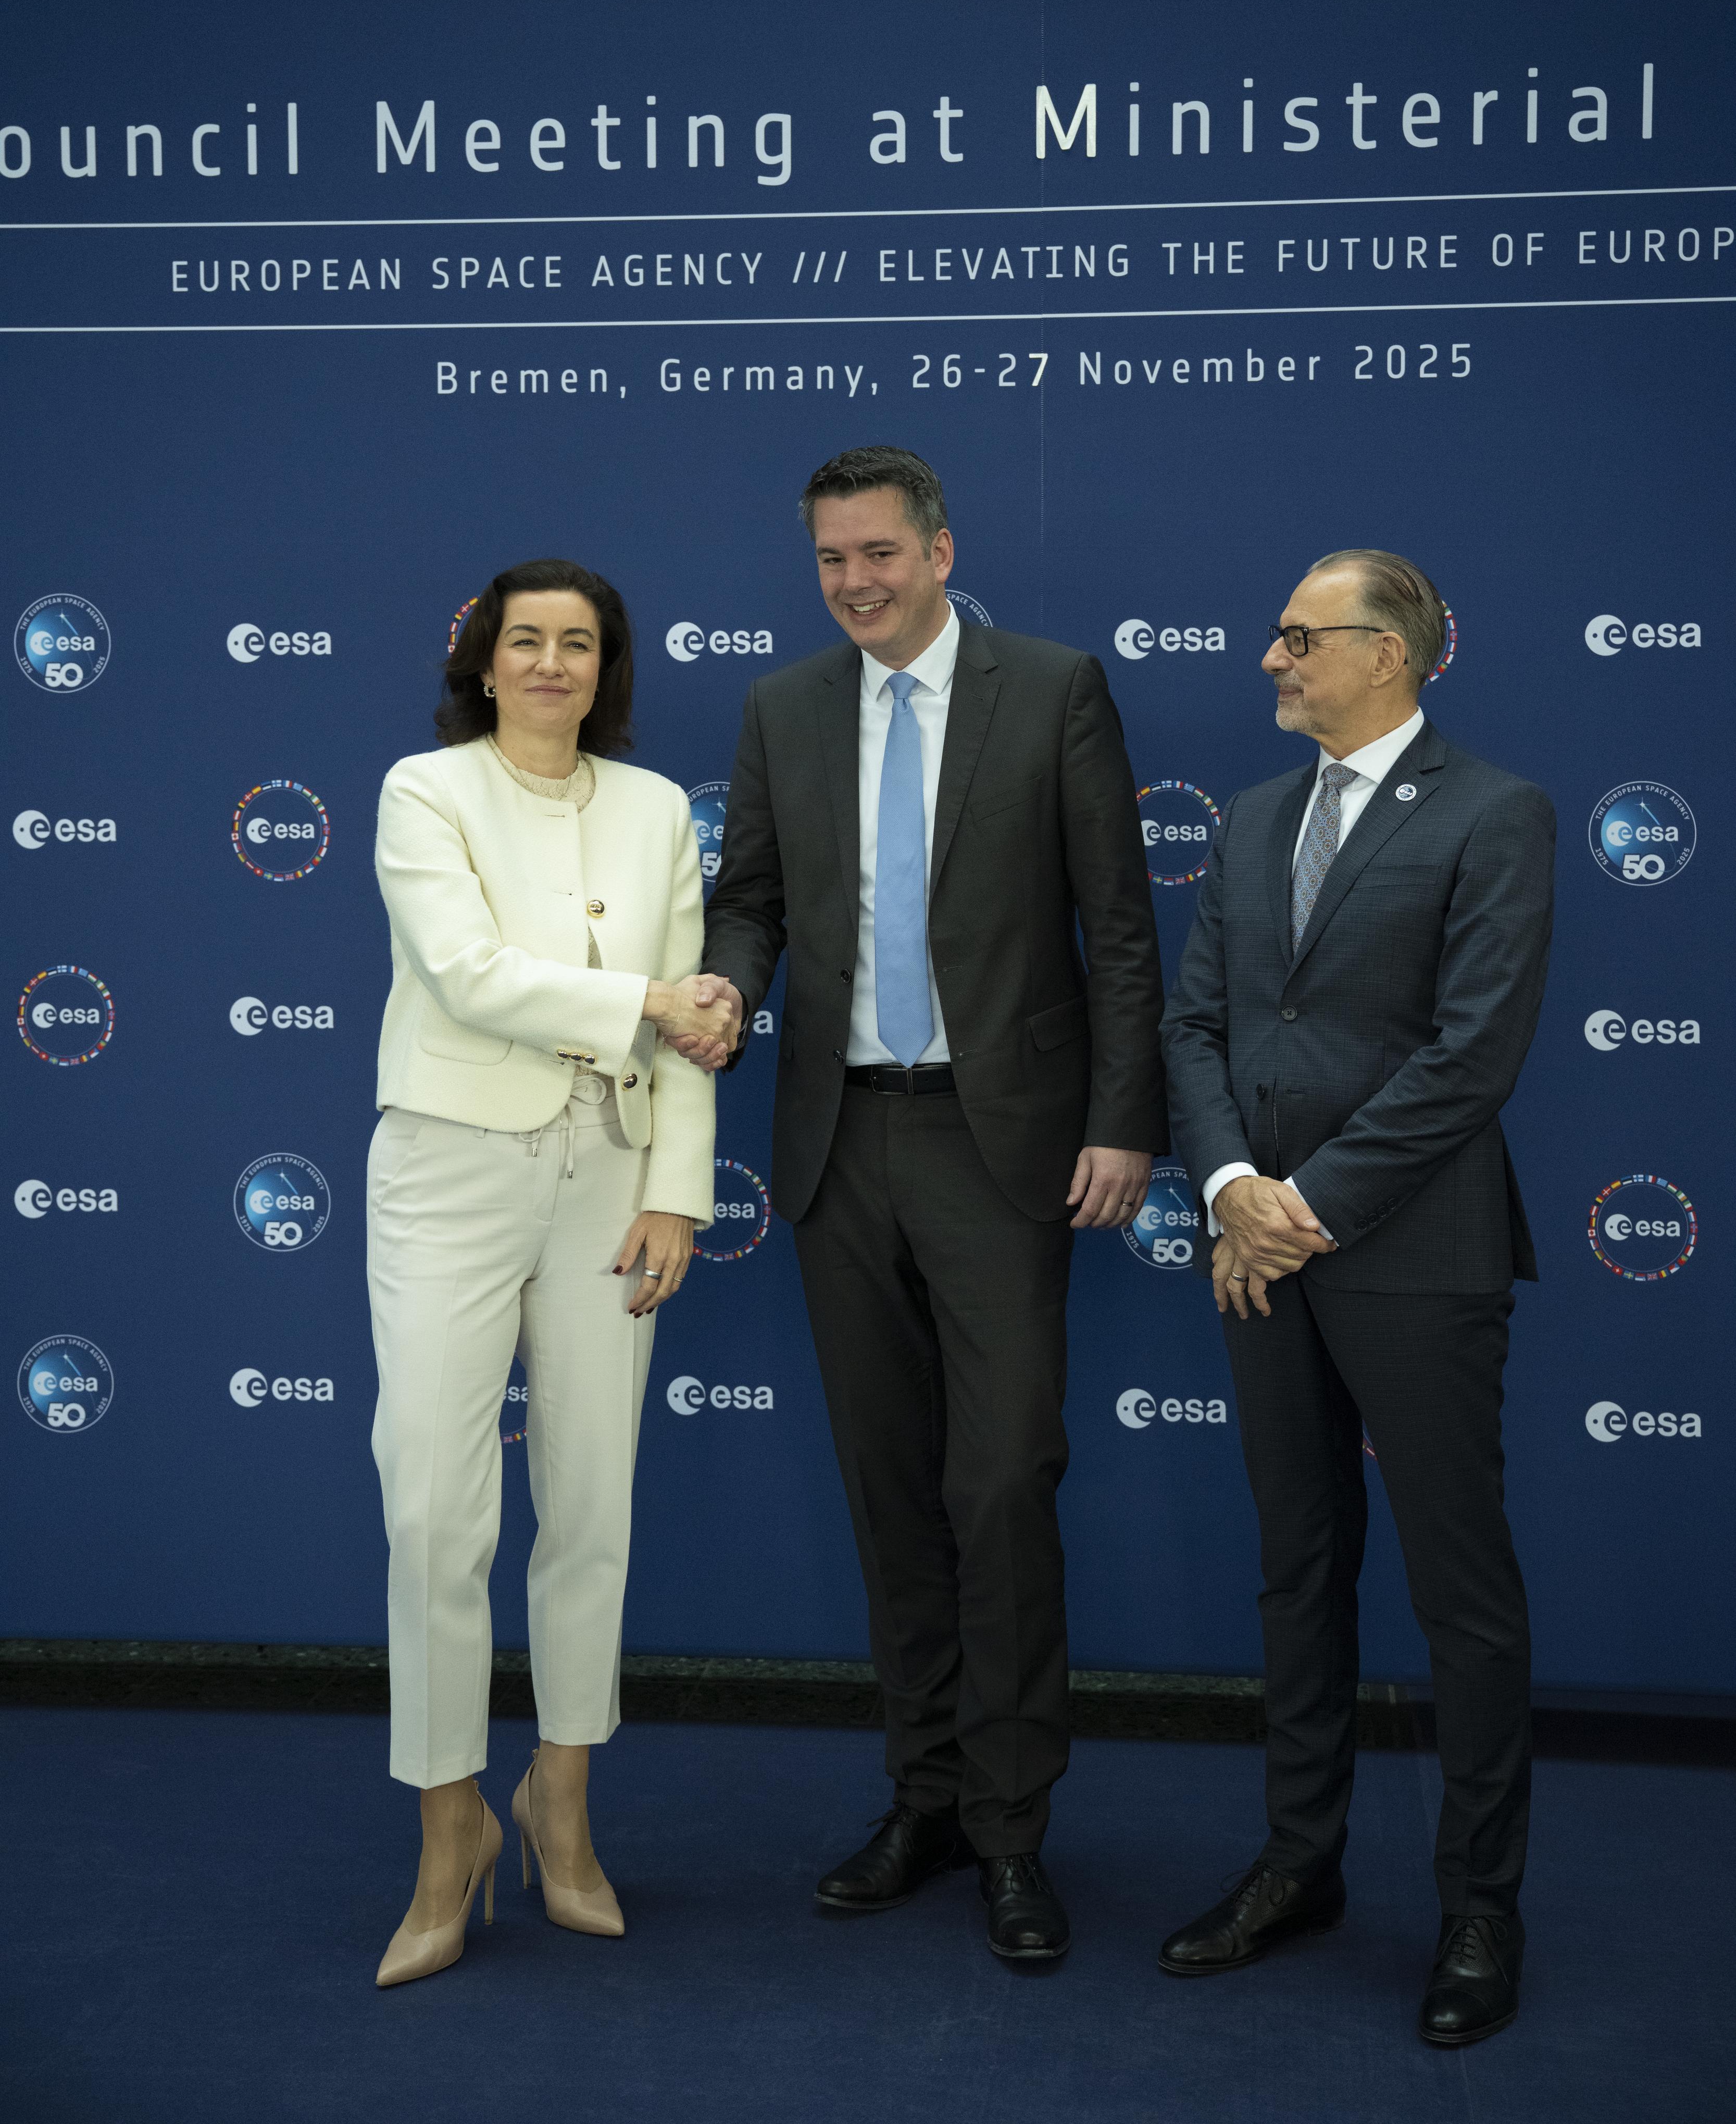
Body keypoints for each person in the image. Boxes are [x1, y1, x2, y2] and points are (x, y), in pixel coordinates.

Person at [691, 447, 1164, 1962]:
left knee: (1002, 1482)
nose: (856, 583)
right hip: (840, 1144)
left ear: (942, 553)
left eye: (880, 553)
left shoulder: (1055, 688)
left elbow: (1120, 926)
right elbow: (749, 898)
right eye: (833, 559)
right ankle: (931, 1796)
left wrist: (1126, 1120)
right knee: (892, 1490)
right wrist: (728, 985)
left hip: (999, 1143)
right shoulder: (783, 707)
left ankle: (1016, 1831)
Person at [1158, 549, 1553, 2046]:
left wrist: (1302, 1210)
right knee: (1298, 1568)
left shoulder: (1494, 811)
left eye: (1298, 637)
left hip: (1412, 1252)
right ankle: (1299, 1865)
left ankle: (1480, 1908)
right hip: (1255, 1248)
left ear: (1387, 654)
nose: (1272, 658)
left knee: (1461, 1593)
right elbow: (1197, 1025)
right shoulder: (1257, 818)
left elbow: (1473, 1051)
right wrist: (1229, 1189)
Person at [366, 558, 736, 1988]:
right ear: (483, 661)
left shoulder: (655, 810)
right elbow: (466, 972)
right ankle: (448, 1830)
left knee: (591, 1504)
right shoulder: (425, 790)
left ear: (606, 668)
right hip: (449, 1169)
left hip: (612, 1179)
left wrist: (678, 1190)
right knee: (434, 1514)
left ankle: (560, 1805)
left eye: (578, 643)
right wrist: (646, 998)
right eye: (525, 640)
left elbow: (694, 1026)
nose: (550, 664)